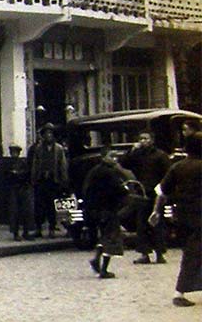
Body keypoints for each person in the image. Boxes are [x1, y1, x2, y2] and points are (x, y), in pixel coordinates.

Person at [149, 132, 202, 306]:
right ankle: (179, 292)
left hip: (184, 216)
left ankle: (181, 291)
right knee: (194, 254)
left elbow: (161, 192)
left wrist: (156, 211)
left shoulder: (177, 167)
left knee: (191, 252)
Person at [119, 129, 170, 265]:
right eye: (141, 139)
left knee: (157, 223)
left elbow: (167, 174)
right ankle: (145, 253)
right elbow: (123, 163)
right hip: (141, 193)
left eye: (146, 139)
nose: (143, 141)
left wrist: (164, 191)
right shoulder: (137, 155)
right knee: (142, 224)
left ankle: (160, 254)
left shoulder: (160, 155)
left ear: (152, 140)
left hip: (156, 193)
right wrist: (131, 150)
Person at [83, 145, 131, 279]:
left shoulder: (94, 171)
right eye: (111, 156)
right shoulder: (109, 172)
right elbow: (117, 189)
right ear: (104, 157)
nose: (115, 159)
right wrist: (125, 189)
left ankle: (96, 259)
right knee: (111, 238)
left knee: (104, 236)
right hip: (108, 209)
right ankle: (104, 269)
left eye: (116, 156)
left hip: (96, 209)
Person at [29, 122, 69, 238]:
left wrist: (63, 180)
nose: (48, 136)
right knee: (39, 205)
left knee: (52, 206)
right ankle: (38, 228)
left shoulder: (59, 149)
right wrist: (34, 178)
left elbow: (62, 165)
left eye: (50, 133)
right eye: (46, 133)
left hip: (53, 180)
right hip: (41, 180)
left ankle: (52, 228)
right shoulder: (39, 149)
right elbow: (35, 165)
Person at [5, 144, 34, 241]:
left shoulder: (23, 162)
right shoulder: (8, 164)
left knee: (26, 211)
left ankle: (26, 232)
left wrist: (18, 174)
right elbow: (6, 177)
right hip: (13, 189)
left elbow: (27, 174)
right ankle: (15, 233)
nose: (14, 154)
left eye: (15, 152)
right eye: (12, 153)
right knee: (15, 212)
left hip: (23, 188)